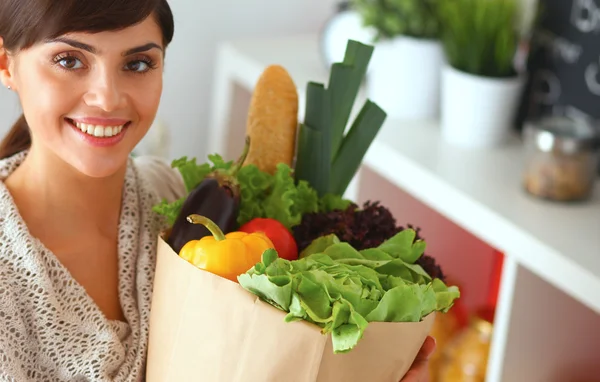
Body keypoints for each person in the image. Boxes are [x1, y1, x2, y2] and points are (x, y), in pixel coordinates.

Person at [0, 0, 434, 380]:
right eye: (69, 60)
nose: (108, 98)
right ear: (7, 64)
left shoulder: (173, 197)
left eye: (137, 64)